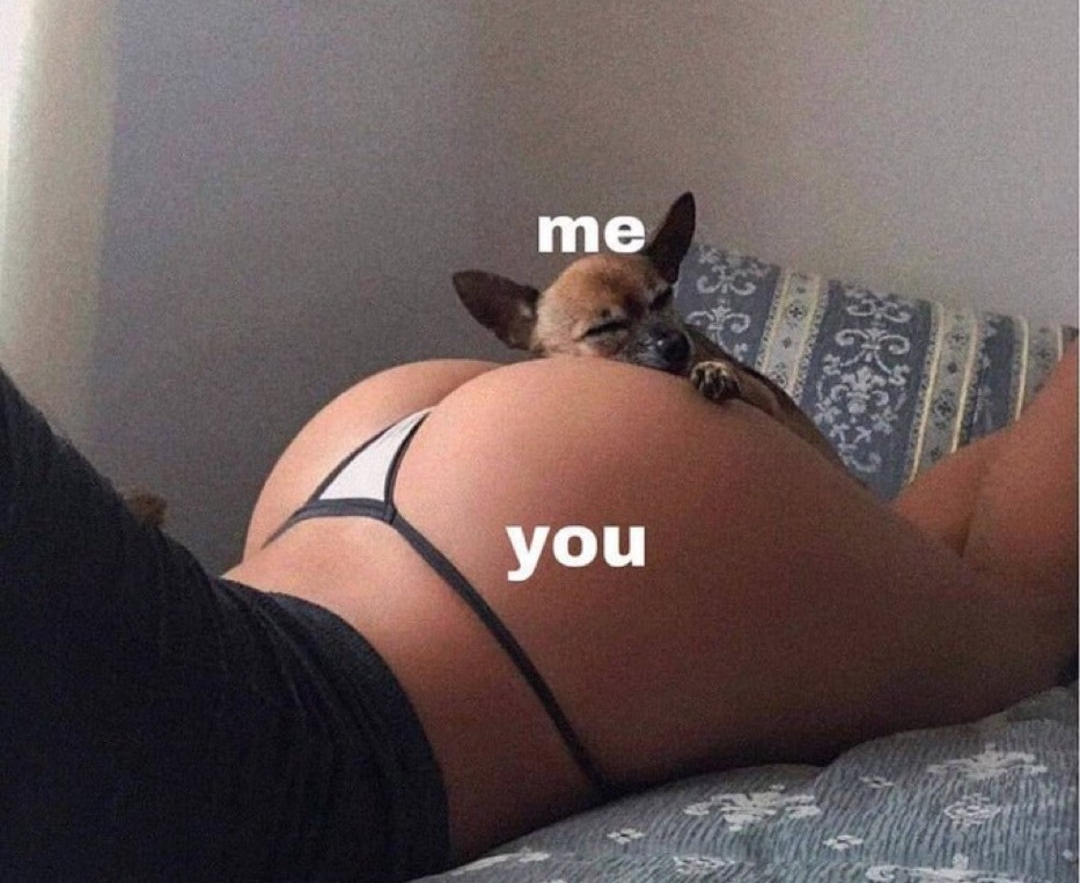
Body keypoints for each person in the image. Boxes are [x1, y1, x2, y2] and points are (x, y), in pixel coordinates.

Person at [1, 345, 1075, 881]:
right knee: (987, 603)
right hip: (455, 525)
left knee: (1018, 618)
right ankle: (859, 527)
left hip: (461, 536)